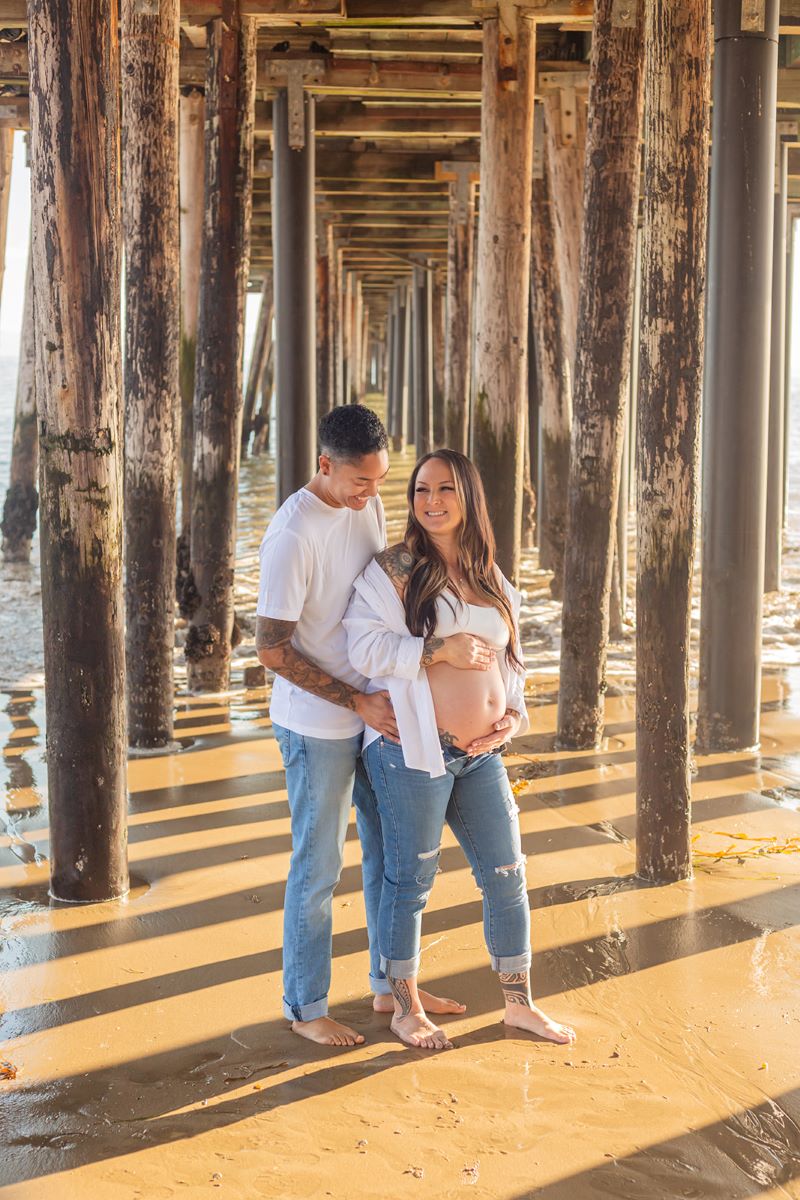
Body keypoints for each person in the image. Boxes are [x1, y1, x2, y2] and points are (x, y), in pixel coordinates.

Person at [344, 449, 577, 1051]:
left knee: (506, 873)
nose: (432, 501)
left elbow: (512, 663)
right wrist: (436, 651)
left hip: (481, 755)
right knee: (411, 881)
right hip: (411, 753)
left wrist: (511, 720)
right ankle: (404, 1008)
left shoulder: (491, 576)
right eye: (422, 489)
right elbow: (361, 649)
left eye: (446, 489)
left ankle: (520, 1005)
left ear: (468, 497)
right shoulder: (392, 571)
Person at [256, 406, 464, 1047]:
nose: (373, 495)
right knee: (318, 869)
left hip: (376, 709)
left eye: (380, 481)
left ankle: (388, 985)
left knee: (388, 854)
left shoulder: (365, 504)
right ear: (325, 465)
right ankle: (306, 1005)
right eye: (360, 483)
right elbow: (271, 649)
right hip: (317, 722)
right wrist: (354, 700)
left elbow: (383, 590)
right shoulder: (294, 535)